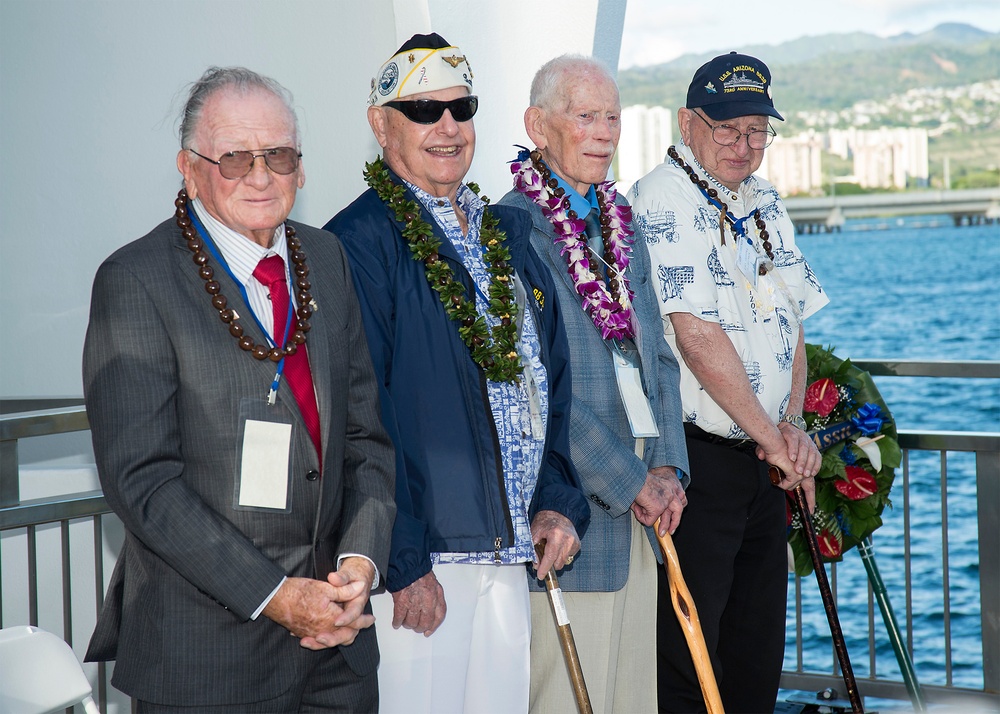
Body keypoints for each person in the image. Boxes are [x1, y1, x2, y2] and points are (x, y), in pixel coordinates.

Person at [82, 66, 396, 713]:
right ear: (190, 168)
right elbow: (144, 482)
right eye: (234, 158)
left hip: (338, 652)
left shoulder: (327, 261)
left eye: (277, 155)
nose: (260, 175)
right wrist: (279, 596)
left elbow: (365, 438)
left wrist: (360, 564)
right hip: (207, 660)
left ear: (301, 167)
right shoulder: (136, 281)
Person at [323, 33, 590, 714]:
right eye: (421, 110)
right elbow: (361, 415)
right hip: (423, 565)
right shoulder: (357, 242)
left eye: (461, 107)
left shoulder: (506, 235)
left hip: (509, 554)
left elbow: (552, 384)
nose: (446, 126)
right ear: (380, 125)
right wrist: (404, 561)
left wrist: (558, 498)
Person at [627, 51, 828, 713]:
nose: (744, 147)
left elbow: (793, 319)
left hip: (762, 465)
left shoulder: (765, 200)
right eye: (727, 130)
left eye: (757, 132)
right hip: (697, 464)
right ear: (687, 123)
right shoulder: (662, 197)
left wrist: (790, 428)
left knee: (753, 657)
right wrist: (775, 440)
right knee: (691, 666)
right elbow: (696, 334)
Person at [498, 55, 689, 714]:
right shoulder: (512, 231)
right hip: (572, 513)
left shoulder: (621, 221)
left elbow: (658, 355)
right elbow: (534, 387)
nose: (605, 132)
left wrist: (667, 468)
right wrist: (629, 480)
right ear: (537, 125)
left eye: (612, 116)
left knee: (633, 699)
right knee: (568, 701)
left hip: (644, 515)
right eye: (586, 116)